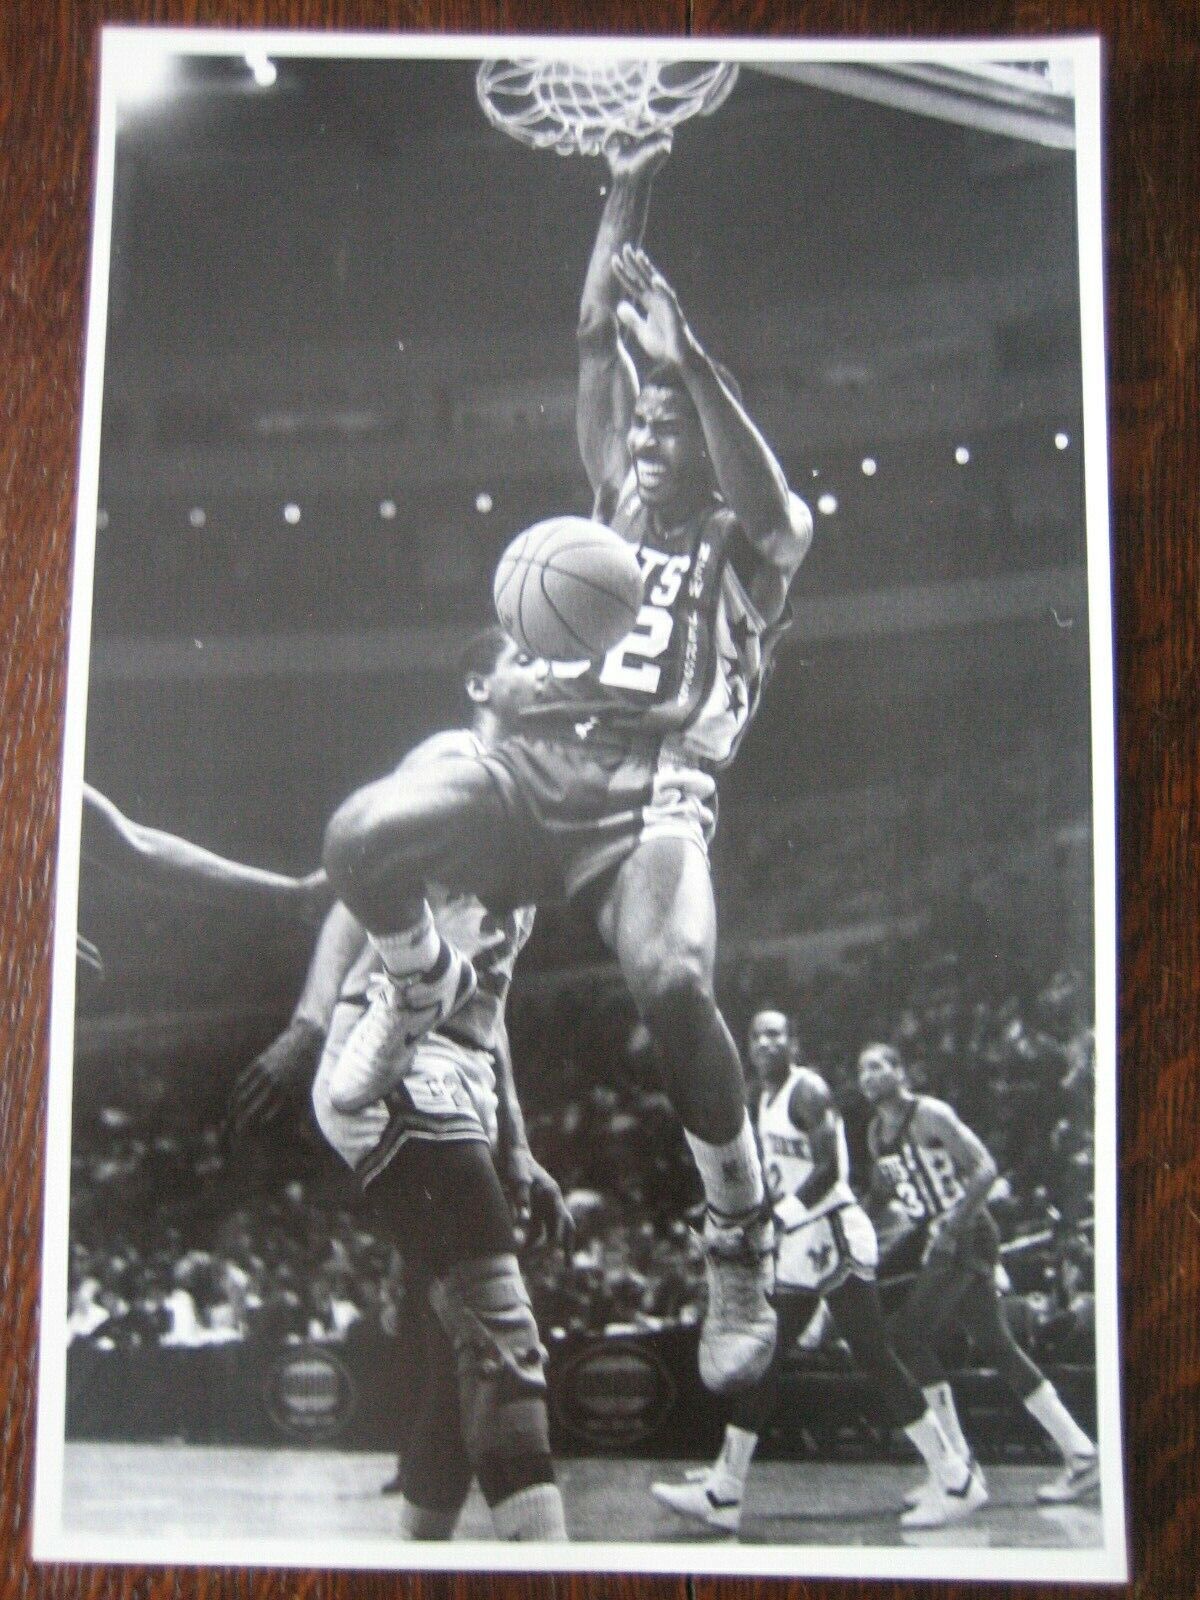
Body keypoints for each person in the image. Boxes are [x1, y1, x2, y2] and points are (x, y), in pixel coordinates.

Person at [320, 136, 813, 1395]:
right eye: (641, 423)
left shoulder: (744, 543)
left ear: (702, 438)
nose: (647, 438)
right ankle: (421, 986)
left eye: (670, 426)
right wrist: (627, 187)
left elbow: (776, 514)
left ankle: (738, 1234)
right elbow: (597, 331)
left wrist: (694, 363)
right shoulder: (604, 498)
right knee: (360, 838)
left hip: (651, 790)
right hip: (531, 766)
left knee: (673, 975)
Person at [233, 628, 574, 1543]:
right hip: (398, 1061)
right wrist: (307, 1024)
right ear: (479, 682)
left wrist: (520, 1143)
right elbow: (357, 885)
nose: (547, 669)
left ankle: (415, 1556)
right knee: (503, 1333)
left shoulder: (535, 802)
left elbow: (493, 1011)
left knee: (451, 1356)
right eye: (525, 658)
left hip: (461, 1068)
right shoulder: (450, 761)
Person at [651, 1010, 982, 1533]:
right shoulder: (761, 1099)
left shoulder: (809, 1091)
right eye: (757, 1034)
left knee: (873, 1354)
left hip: (833, 1230)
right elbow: (785, 1178)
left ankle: (957, 1478)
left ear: (793, 1042)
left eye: (776, 1034)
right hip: (803, 1239)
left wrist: (778, 1219)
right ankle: (725, 1490)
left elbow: (832, 1172)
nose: (765, 1042)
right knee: (768, 1356)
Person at [858, 1042, 1100, 1512]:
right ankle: (1080, 1454)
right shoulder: (874, 1134)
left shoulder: (930, 1115)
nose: (869, 1075)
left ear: (901, 1070)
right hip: (940, 1235)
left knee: (905, 1338)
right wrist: (865, 1213)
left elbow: (986, 1168)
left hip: (966, 1232)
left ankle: (959, 1466)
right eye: (862, 1069)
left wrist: (951, 1225)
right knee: (996, 1346)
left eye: (879, 1065)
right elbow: (889, 1195)